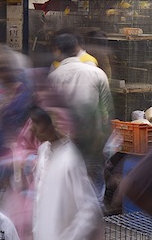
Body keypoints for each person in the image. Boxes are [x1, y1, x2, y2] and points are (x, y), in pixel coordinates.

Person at [48, 32, 113, 203]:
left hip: (65, 140)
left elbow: (50, 113)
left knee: (70, 183)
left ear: (58, 51)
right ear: (77, 49)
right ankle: (95, 217)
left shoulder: (54, 76)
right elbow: (106, 112)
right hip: (93, 139)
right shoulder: (98, 73)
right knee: (94, 184)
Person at [29, 107, 104, 240]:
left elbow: (89, 209)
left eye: (37, 123)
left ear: (53, 125)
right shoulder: (43, 151)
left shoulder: (71, 159)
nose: (31, 128)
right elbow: (39, 199)